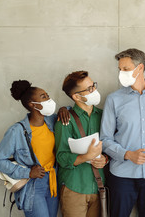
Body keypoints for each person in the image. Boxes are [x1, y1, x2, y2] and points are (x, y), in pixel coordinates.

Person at [100, 48, 145, 217]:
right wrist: (127, 155)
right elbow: (105, 138)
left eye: (125, 69)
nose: (121, 73)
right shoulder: (113, 99)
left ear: (140, 68)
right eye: (120, 69)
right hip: (121, 176)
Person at [0, 80, 59, 217]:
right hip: (33, 186)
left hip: (53, 181)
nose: (49, 100)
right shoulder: (17, 130)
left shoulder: (52, 121)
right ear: (32, 105)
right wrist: (27, 173)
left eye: (47, 95)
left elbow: (68, 112)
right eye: (44, 97)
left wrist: (65, 109)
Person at [54, 71, 107, 217]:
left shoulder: (104, 116)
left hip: (98, 186)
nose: (94, 91)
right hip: (73, 187)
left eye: (93, 86)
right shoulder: (65, 120)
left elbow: (110, 146)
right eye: (89, 89)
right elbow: (62, 157)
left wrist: (105, 159)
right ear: (76, 97)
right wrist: (87, 156)